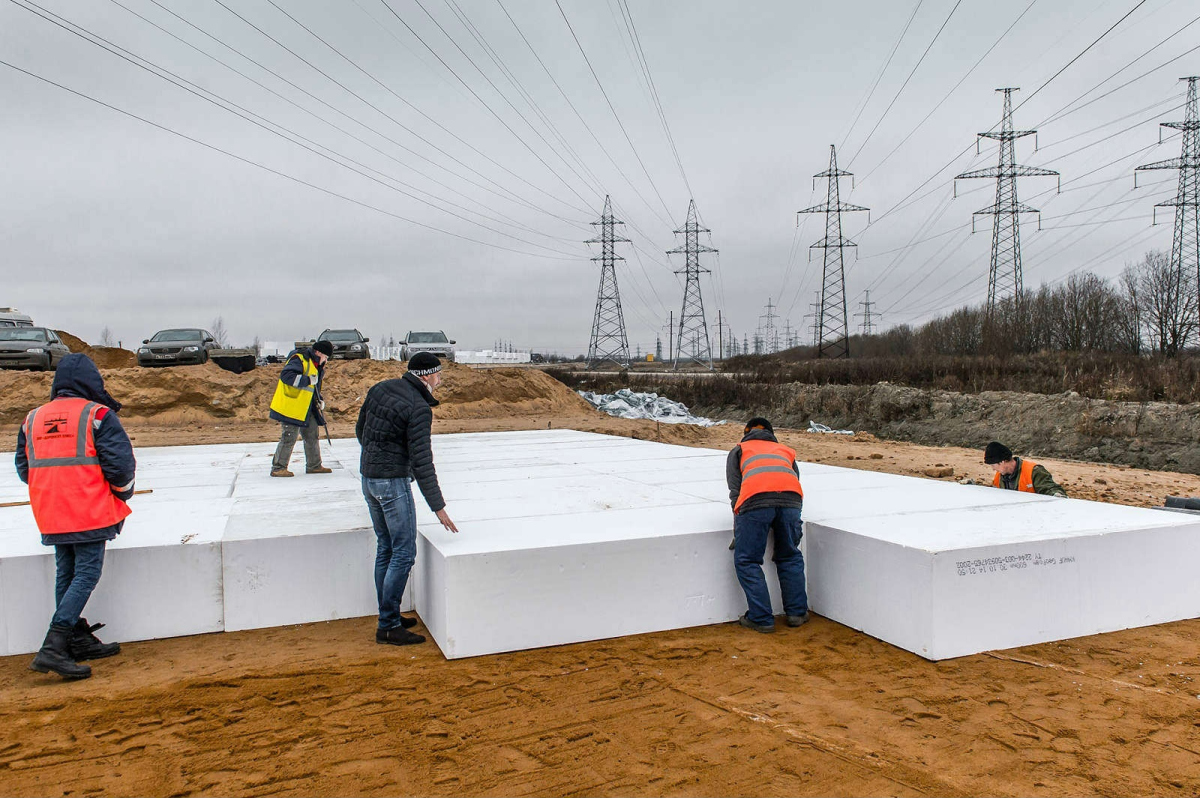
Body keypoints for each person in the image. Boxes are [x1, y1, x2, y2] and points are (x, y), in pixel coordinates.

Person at [16, 354, 135, 680]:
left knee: (66, 574)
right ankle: (54, 646)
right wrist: (122, 494)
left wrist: (54, 487)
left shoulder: (32, 418)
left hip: (50, 511)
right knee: (85, 575)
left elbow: (24, 469)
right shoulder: (97, 415)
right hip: (88, 511)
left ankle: (74, 638)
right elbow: (121, 468)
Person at [356, 352, 459, 646]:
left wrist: (378, 459)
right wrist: (438, 507)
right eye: (438, 375)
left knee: (385, 547)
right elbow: (422, 461)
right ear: (426, 376)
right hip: (391, 484)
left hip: (369, 479)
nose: (440, 381)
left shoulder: (380, 388)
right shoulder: (418, 407)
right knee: (403, 552)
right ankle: (388, 625)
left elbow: (361, 431)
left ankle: (389, 614)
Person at [726, 416, 809, 634]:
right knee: (790, 555)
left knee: (747, 560)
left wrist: (740, 530)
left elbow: (736, 492)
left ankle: (761, 618)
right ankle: (797, 613)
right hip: (791, 501)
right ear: (772, 434)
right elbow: (792, 480)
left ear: (746, 432)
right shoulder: (785, 451)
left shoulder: (739, 450)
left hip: (755, 502)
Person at [269, 340, 334, 477]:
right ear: (319, 352)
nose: (326, 361)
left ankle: (314, 465)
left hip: (307, 407)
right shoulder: (299, 359)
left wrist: (318, 398)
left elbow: (313, 386)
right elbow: (286, 376)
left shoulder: (316, 365)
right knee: (289, 437)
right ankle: (278, 468)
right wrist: (308, 380)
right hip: (292, 406)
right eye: (326, 357)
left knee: (312, 435)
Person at [983, 441, 1067, 497]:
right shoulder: (1000, 476)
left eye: (993, 465)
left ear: (1002, 462)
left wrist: (1056, 495)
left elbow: (1051, 489)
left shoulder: (1034, 471)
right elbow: (994, 495)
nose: (993, 469)